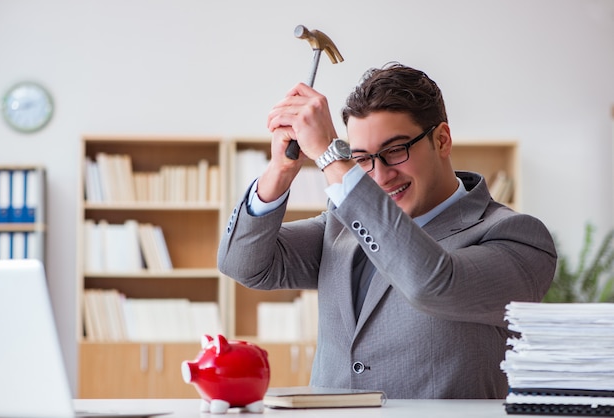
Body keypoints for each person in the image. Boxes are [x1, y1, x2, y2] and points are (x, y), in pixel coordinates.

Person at [218, 62, 557, 399]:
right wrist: (279, 170)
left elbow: (433, 284)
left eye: (395, 150)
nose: (379, 176)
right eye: (362, 159)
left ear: (441, 140)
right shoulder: (340, 225)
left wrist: (330, 156)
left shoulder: (517, 237)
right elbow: (244, 264)